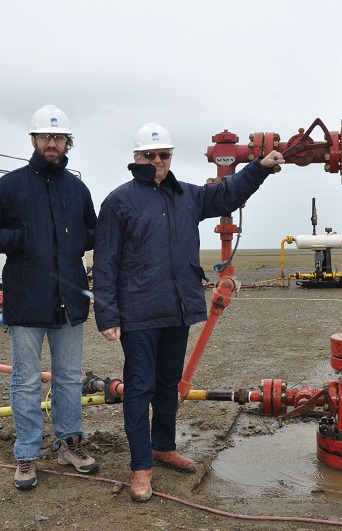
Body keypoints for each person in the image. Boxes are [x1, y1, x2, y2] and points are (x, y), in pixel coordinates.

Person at [93, 122, 284, 502]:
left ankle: (163, 446)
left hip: (177, 310)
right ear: (137, 158)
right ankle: (141, 467)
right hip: (138, 314)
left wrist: (259, 167)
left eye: (164, 154)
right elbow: (105, 261)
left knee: (168, 385)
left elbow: (228, 195)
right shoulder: (119, 201)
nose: (158, 161)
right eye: (151, 155)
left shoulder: (187, 197)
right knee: (139, 389)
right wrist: (108, 315)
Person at [0, 105, 99, 491]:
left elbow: (92, 232)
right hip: (26, 302)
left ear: (66, 142)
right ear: (34, 140)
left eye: (58, 137)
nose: (51, 143)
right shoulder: (11, 186)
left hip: (69, 301)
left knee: (70, 378)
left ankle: (69, 441)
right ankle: (26, 453)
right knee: (25, 382)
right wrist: (19, 239)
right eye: (45, 137)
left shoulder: (77, 188)